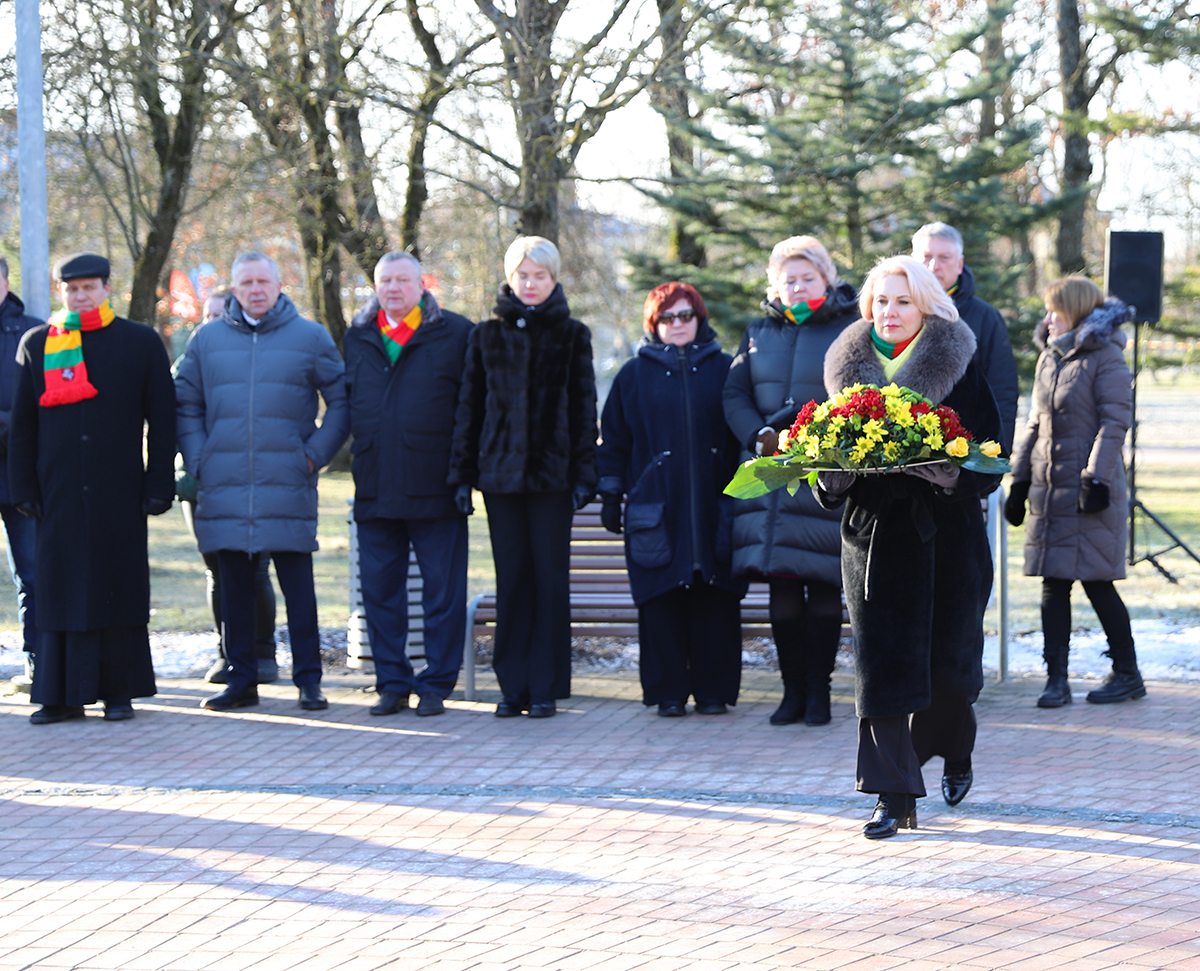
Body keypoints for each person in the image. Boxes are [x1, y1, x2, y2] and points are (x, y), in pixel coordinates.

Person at [816, 255, 1002, 838]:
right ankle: (890, 796)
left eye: (902, 300)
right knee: (883, 666)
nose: (889, 311)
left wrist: (950, 475)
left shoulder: (958, 362)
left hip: (948, 540)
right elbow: (823, 461)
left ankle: (955, 747)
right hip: (875, 542)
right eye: (881, 300)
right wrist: (835, 477)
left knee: (950, 672)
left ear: (925, 305)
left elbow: (990, 456)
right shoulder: (847, 367)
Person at [175, 251, 349, 712]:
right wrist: (199, 458)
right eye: (246, 282)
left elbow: (342, 401)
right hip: (225, 482)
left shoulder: (310, 337)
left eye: (262, 282)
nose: (255, 289)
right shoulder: (206, 340)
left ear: (278, 285)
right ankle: (242, 680)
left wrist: (313, 457)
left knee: (299, 589)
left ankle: (309, 681)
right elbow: (186, 404)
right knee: (233, 586)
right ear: (234, 289)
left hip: (287, 481)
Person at [9, 252, 176, 723]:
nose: (80, 296)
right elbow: (23, 425)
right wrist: (23, 485)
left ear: (107, 288)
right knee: (58, 590)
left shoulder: (139, 342)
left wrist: (158, 482)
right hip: (56, 492)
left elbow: (163, 420)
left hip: (118, 490)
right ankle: (59, 695)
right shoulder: (38, 344)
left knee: (115, 587)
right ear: (61, 291)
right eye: (72, 289)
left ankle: (117, 692)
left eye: (89, 287)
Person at [448, 236, 597, 719]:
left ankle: (547, 684)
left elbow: (583, 411)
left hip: (553, 480)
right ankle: (512, 686)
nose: (530, 284)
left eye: (540, 276)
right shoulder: (485, 336)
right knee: (512, 582)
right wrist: (461, 475)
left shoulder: (573, 335)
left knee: (550, 580)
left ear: (553, 280)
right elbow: (469, 409)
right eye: (523, 275)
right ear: (510, 278)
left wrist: (582, 475)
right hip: (501, 478)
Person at [723, 236, 858, 727]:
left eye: (807, 278)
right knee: (781, 595)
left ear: (826, 278)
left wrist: (813, 435)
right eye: (788, 279)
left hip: (825, 473)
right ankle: (791, 692)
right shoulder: (758, 331)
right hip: (772, 475)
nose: (797, 287)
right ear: (775, 285)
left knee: (823, 590)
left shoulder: (849, 328)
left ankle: (819, 693)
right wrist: (757, 435)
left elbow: (855, 391)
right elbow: (734, 393)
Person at [598, 282, 746, 716]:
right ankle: (668, 693)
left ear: (699, 319)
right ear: (653, 323)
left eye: (685, 316)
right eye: (667, 317)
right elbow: (613, 442)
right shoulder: (632, 375)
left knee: (714, 598)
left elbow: (742, 435)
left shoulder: (726, 369)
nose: (677, 324)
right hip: (656, 507)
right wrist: (610, 493)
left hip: (714, 504)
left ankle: (714, 691)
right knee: (661, 598)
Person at [344, 251, 473, 717]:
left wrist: (463, 473)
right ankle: (392, 681)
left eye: (402, 280)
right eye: (385, 281)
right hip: (375, 483)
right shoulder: (358, 335)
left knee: (442, 591)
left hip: (435, 485)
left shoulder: (456, 332)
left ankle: (437, 682)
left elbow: (469, 410)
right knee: (380, 593)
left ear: (422, 284)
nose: (393, 288)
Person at [1005, 277, 1141, 708]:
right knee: (1053, 583)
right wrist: (1020, 480)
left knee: (1097, 581)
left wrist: (1095, 478)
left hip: (1087, 489)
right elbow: (1035, 422)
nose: (1047, 319)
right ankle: (1056, 680)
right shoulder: (1051, 357)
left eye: (1055, 312)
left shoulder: (1107, 357)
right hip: (1050, 488)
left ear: (1077, 313)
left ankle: (1127, 673)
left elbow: (1114, 421)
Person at [177, 288, 279, 686]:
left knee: (256, 571)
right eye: (208, 315)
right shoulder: (187, 363)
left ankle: (263, 651)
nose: (214, 322)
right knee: (216, 572)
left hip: (251, 480)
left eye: (223, 314)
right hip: (199, 484)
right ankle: (227, 653)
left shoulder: (253, 359)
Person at [912, 222, 1019, 452]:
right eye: (926, 256)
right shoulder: (893, 312)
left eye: (944, 258)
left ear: (959, 264)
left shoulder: (986, 317)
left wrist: (995, 459)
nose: (933, 266)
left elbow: (1003, 392)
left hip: (964, 455)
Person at [0, 257, 42, 682]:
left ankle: (39, 663)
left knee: (31, 573)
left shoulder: (34, 334)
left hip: (18, 473)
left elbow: (44, 404)